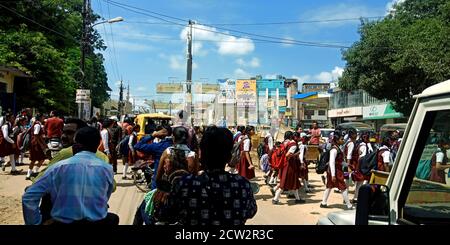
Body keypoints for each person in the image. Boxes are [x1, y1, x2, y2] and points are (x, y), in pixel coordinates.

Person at [160, 126, 257, 225]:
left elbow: (167, 214)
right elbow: (251, 211)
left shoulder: (184, 184)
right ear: (229, 157)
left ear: (201, 155)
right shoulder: (243, 185)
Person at [22, 126, 118, 225]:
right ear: (98, 144)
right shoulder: (107, 169)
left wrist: (35, 222)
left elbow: (29, 196)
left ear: (75, 143)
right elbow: (106, 195)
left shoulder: (58, 167)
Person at [320, 131, 353, 210]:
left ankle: (323, 203)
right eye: (341, 139)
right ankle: (349, 205)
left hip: (336, 170)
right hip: (335, 171)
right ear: (337, 140)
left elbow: (339, 161)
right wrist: (333, 175)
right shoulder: (334, 150)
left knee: (329, 186)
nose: (343, 140)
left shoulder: (337, 148)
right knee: (343, 187)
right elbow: (332, 163)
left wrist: (347, 165)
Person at [133, 125, 174, 190]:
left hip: (159, 182)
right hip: (175, 182)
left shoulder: (158, 147)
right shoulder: (176, 146)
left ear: (162, 133)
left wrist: (152, 135)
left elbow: (137, 146)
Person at [271, 131, 304, 205]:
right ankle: (275, 199)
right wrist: (296, 154)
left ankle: (298, 199)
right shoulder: (293, 144)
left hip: (284, 165)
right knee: (284, 183)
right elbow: (287, 155)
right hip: (289, 165)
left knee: (294, 182)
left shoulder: (284, 143)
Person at [27, 114, 47, 180]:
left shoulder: (36, 124)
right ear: (40, 117)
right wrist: (41, 144)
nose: (44, 118)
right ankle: (35, 172)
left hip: (34, 143)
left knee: (33, 159)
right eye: (43, 116)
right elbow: (36, 135)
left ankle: (28, 174)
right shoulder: (38, 125)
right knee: (42, 158)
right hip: (36, 144)